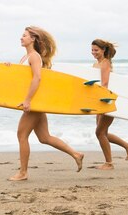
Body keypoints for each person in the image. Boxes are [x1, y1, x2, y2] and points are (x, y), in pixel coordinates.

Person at [8, 26, 84, 181]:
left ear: (33, 39)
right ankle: (76, 154)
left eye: (24, 35)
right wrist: (9, 68)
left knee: (22, 135)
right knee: (44, 137)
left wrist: (28, 100)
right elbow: (23, 78)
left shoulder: (34, 57)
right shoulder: (25, 57)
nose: (21, 38)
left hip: (34, 101)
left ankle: (23, 172)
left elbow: (37, 78)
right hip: (36, 101)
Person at [91, 39, 128, 170]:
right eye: (92, 50)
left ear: (103, 50)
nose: (93, 52)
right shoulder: (95, 64)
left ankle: (109, 163)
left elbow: (104, 84)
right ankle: (127, 145)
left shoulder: (105, 63)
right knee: (102, 132)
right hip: (100, 100)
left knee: (99, 132)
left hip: (107, 100)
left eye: (96, 50)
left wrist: (102, 103)